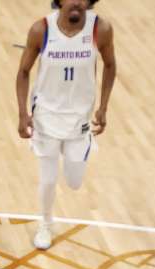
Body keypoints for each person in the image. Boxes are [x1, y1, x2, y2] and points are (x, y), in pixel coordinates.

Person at [15, 0, 117, 250]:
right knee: (48, 179)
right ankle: (46, 224)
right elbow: (24, 72)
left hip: (79, 118)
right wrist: (22, 113)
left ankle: (81, 149)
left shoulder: (100, 29)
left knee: (74, 182)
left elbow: (110, 65)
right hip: (46, 117)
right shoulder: (41, 30)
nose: (77, 2)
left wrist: (103, 107)